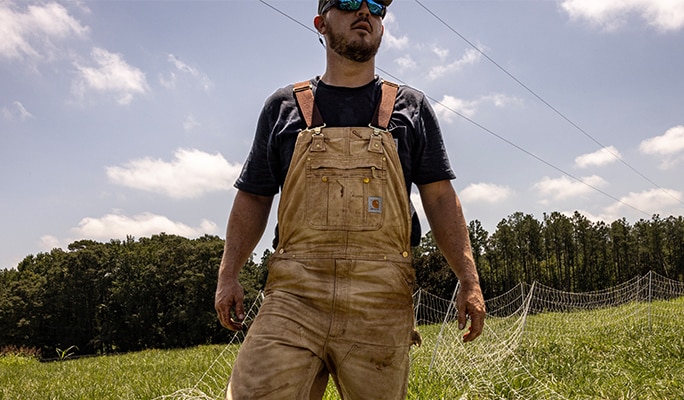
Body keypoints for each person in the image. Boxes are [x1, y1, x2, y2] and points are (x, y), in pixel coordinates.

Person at [214, 0, 486, 398]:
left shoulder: (411, 108)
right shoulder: (284, 107)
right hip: (295, 295)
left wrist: (469, 279)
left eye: (375, 6)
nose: (365, 12)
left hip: (381, 299)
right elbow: (254, 197)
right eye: (348, 2)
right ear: (321, 23)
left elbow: (441, 199)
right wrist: (227, 275)